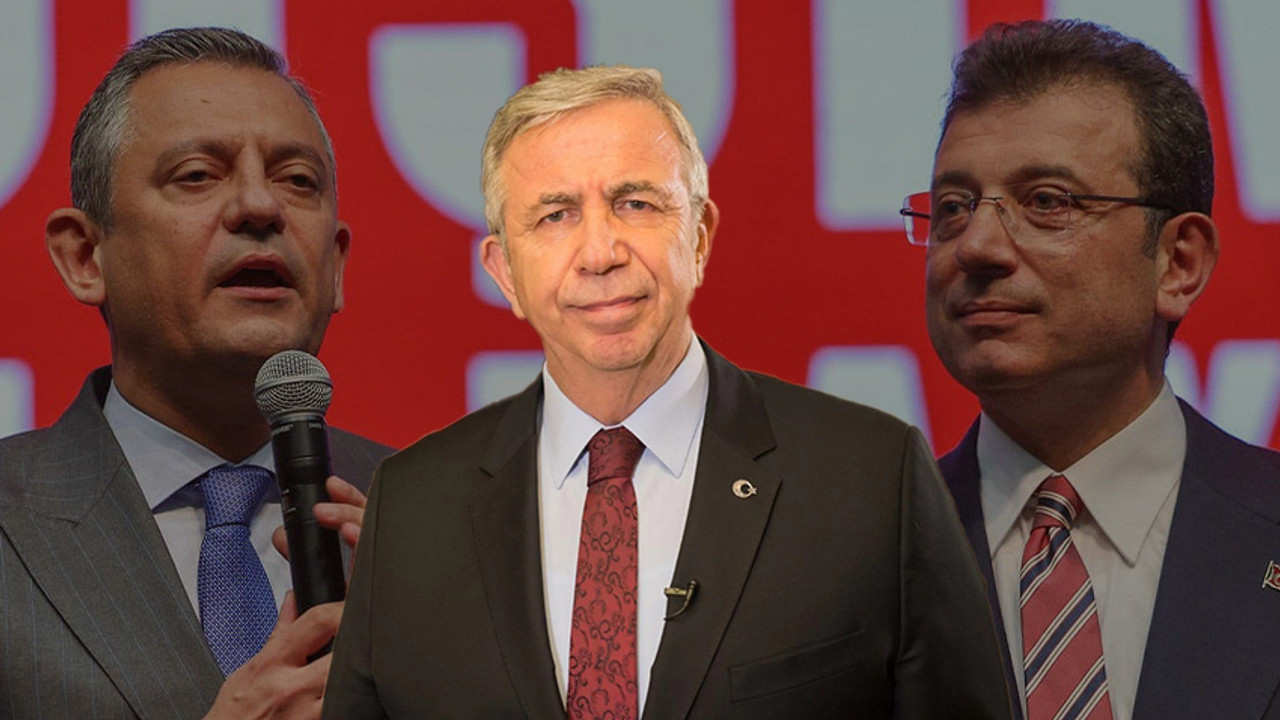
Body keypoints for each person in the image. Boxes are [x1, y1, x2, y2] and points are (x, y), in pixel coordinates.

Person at [323, 65, 1012, 719]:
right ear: (504, 272)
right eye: (555, 215)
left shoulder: (873, 477)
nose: (600, 254)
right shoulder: (411, 507)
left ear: (700, 237)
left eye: (635, 204)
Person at [0, 27, 390, 719]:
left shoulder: (443, 525)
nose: (260, 208)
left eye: (297, 181)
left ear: (335, 266)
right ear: (85, 256)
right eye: (197, 176)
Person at [910, 18, 1280, 720]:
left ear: (1177, 263)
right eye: (954, 207)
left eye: (1047, 202)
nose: (976, 245)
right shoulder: (857, 560)